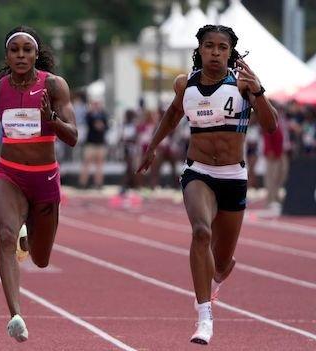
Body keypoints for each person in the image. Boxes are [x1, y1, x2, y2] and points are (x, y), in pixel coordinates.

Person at [136, 25, 277, 345]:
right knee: (201, 232)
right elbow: (172, 116)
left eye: (222, 47)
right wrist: (152, 146)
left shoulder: (242, 86)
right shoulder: (185, 84)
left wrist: (258, 92)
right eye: (209, 46)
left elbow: (271, 127)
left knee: (222, 262)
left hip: (233, 177)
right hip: (198, 172)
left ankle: (217, 269)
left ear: (231, 52)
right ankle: (204, 317)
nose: (215, 52)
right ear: (199, 50)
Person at [0, 25, 77, 343]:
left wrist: (52, 118)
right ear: (7, 55)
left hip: (45, 177)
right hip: (9, 174)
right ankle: (15, 315)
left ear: (36, 54)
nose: (21, 55)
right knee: (3, 238)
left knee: (41, 259)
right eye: (15, 50)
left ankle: (26, 236)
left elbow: (73, 137)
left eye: (27, 50)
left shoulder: (54, 86)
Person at [78, 100, 109, 189]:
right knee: (86, 163)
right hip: (90, 143)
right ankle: (82, 183)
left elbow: (107, 126)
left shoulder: (103, 114)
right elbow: (87, 123)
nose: (96, 106)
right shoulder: (89, 115)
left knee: (99, 165)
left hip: (100, 143)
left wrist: (101, 126)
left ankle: (98, 183)